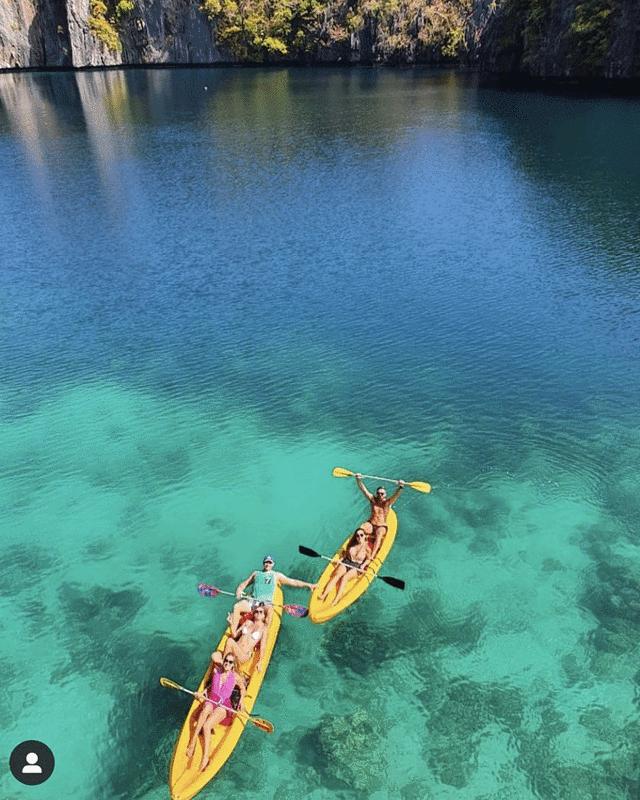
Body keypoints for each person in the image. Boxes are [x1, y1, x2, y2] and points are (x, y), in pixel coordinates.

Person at [185, 652, 246, 773]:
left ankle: (205, 757)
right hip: (211, 699)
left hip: (223, 705)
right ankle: (193, 741)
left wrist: (242, 701)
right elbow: (214, 656)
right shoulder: (216, 670)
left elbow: (243, 688)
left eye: (230, 662)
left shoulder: (236, 677)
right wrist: (202, 693)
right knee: (204, 711)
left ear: (234, 665)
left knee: (207, 725)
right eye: (226, 661)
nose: (227, 664)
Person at [230, 555, 315, 629]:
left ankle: (265, 633)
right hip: (253, 602)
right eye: (266, 562)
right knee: (237, 606)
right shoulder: (256, 574)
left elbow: (293, 582)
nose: (267, 564)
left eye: (270, 562)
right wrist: (239, 591)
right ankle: (234, 632)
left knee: (270, 611)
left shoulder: (276, 575)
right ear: (263, 563)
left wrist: (309, 585)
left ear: (273, 564)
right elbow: (243, 584)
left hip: (265, 604)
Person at [318, 528, 373, 606]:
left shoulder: (367, 549)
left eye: (361, 535)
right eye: (357, 536)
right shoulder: (352, 544)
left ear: (365, 536)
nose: (359, 537)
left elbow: (368, 559)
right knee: (336, 575)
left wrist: (363, 566)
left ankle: (336, 599)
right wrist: (340, 560)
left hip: (357, 566)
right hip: (347, 561)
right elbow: (346, 554)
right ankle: (324, 594)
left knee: (345, 578)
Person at [354, 473, 404, 558]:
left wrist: (400, 487)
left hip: (381, 526)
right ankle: (357, 547)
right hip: (371, 523)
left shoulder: (387, 503)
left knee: (379, 534)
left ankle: (372, 556)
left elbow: (396, 495)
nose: (380, 495)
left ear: (385, 495)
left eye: (382, 493)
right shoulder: (373, 500)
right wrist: (358, 479)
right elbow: (363, 490)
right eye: (378, 493)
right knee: (361, 529)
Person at [212, 603, 268, 672]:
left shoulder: (263, 629)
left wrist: (260, 661)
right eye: (256, 611)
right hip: (234, 651)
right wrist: (231, 623)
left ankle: (224, 667)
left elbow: (263, 646)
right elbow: (235, 635)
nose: (258, 613)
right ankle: (227, 666)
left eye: (261, 612)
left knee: (230, 641)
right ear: (254, 614)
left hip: (243, 655)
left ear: (264, 616)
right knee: (214, 655)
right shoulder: (248, 622)